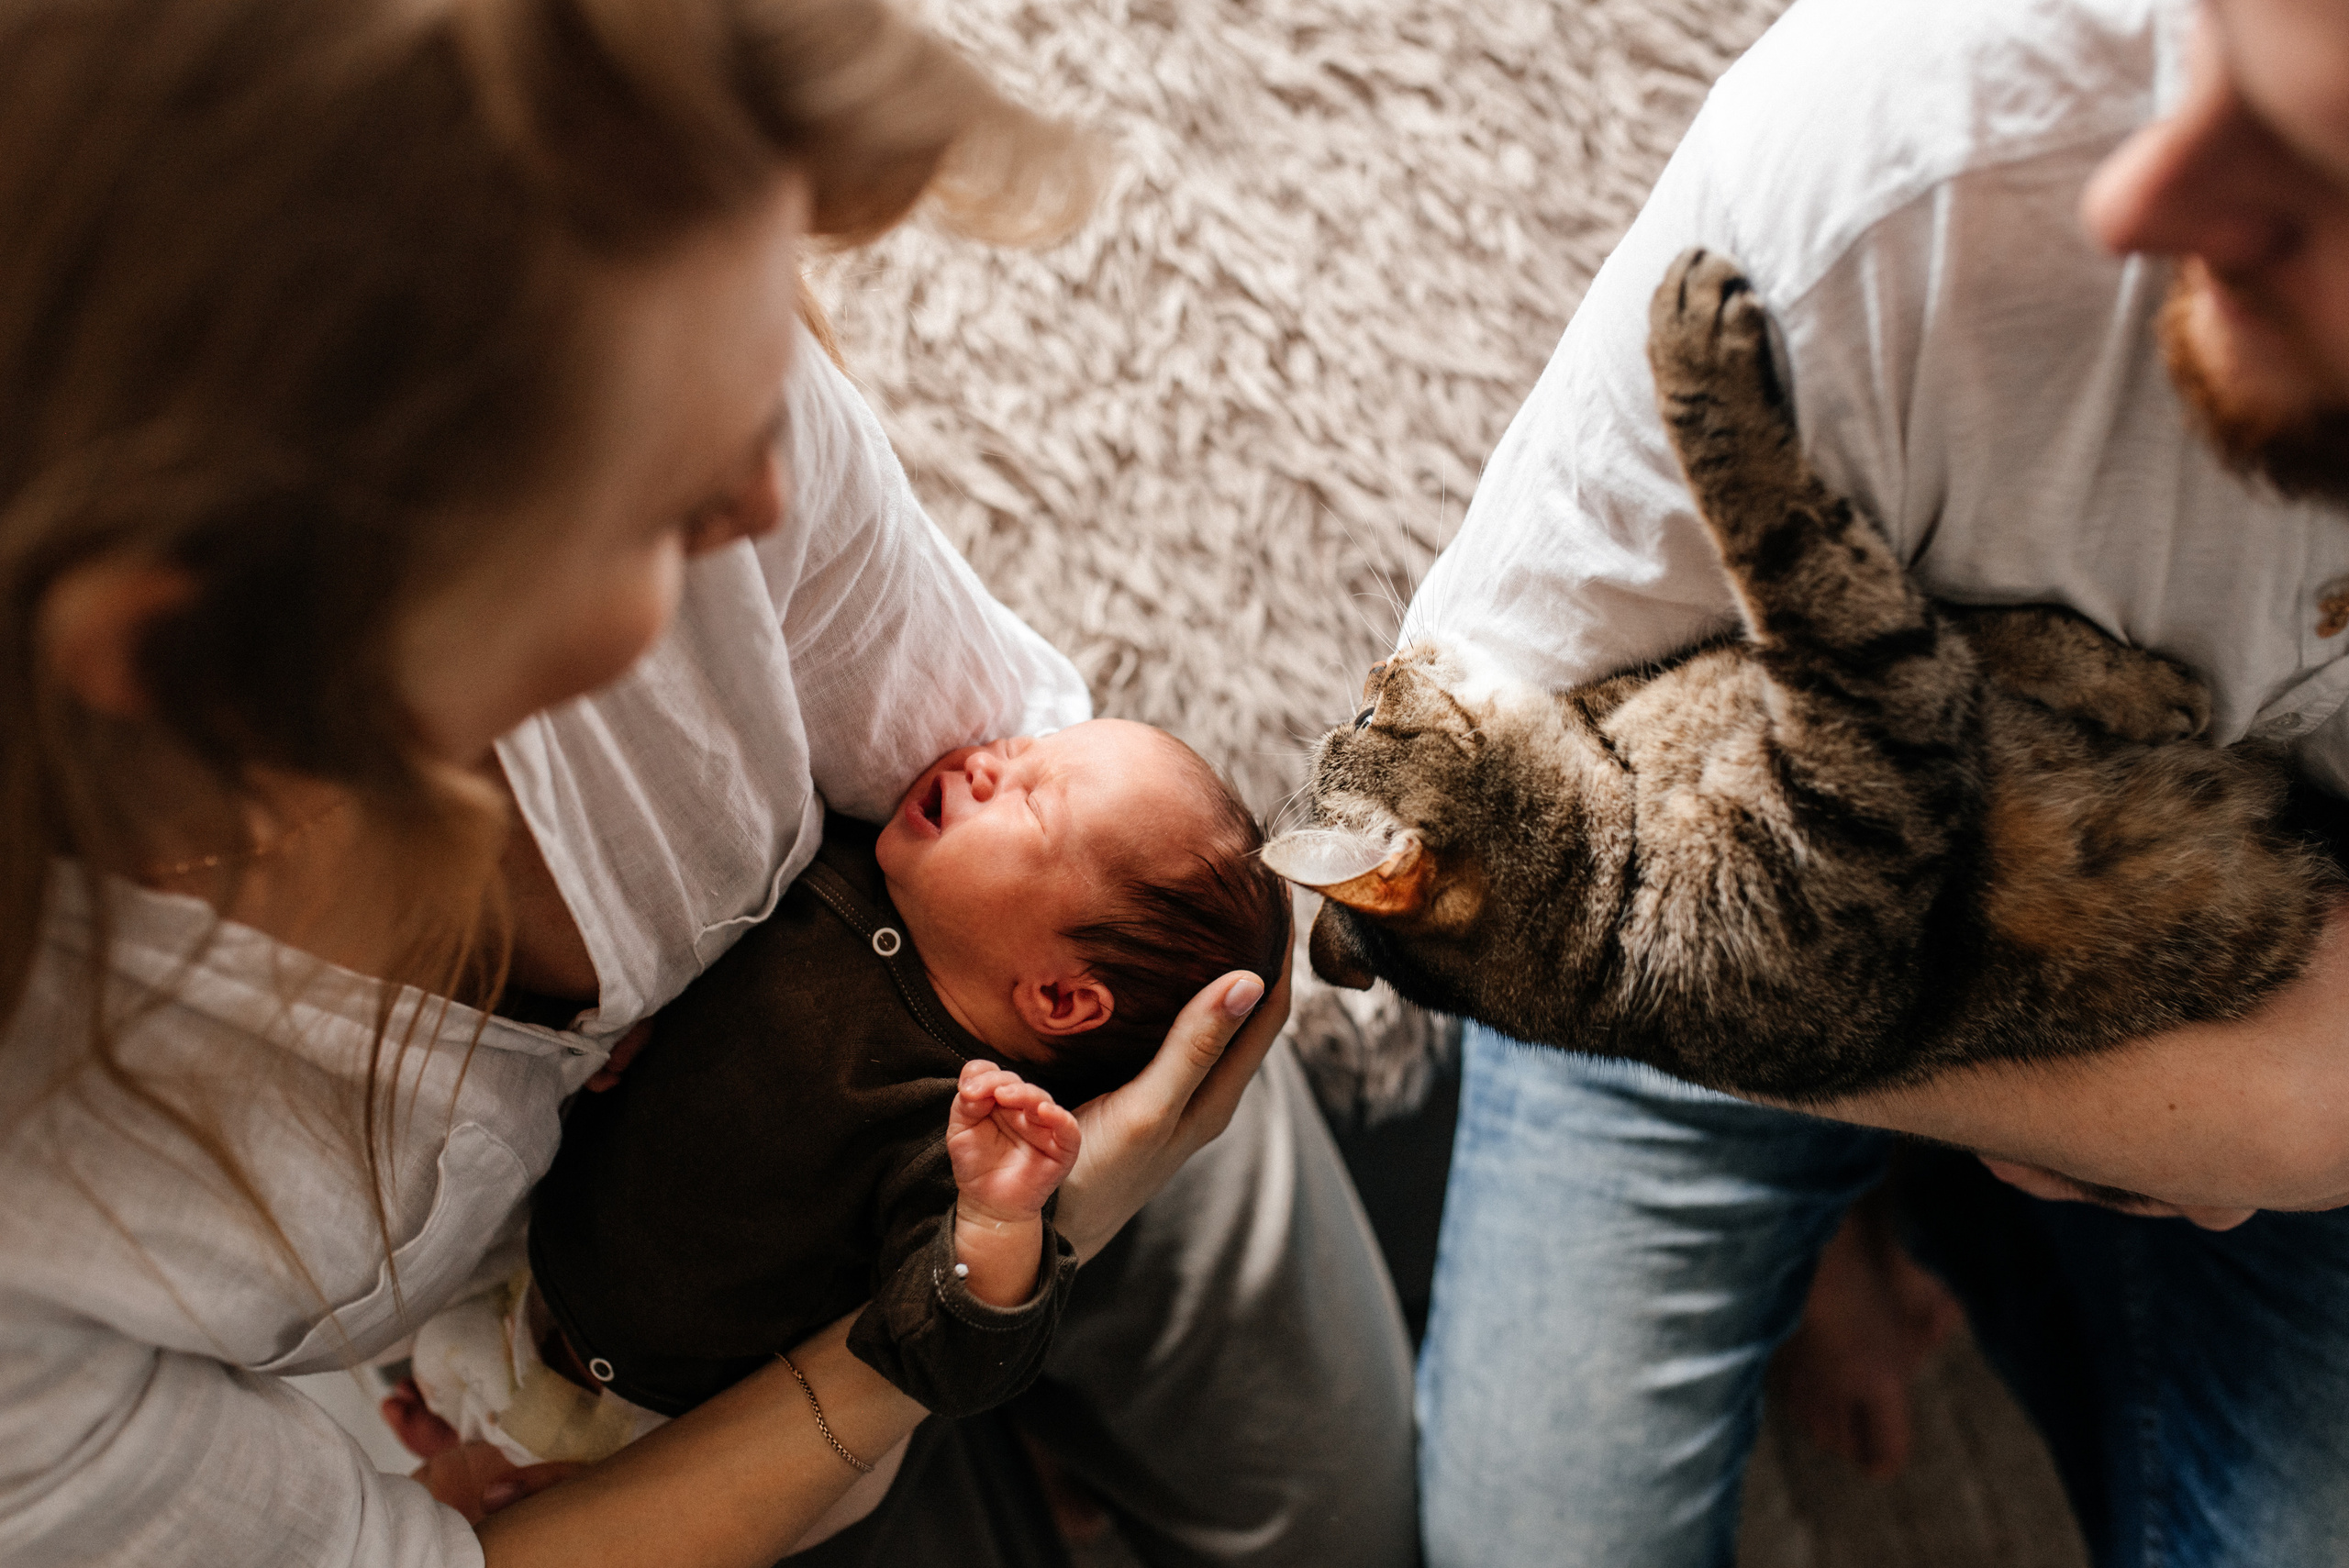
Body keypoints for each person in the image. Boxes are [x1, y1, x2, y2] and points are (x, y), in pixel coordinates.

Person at [0, 4, 1417, 1566]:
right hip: (630, 1392)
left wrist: (1122, 1145)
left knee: (1358, 1532)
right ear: (207, 654)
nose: (765, 495)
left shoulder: (673, 333)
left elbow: (1065, 826)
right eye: (663, 497)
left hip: (1059, 1064)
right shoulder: (42, 1247)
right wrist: (943, 1324)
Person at [1405, 0, 2349, 1562]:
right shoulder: (1899, 154)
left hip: (2149, 940)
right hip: (1689, 911)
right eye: (2220, 54)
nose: (2141, 198)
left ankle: (1887, 1201)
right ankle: (1853, 1197)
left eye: (2308, 165)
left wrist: (2271, 1118)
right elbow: (1472, 777)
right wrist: (2197, 1120)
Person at [407, 721, 1286, 1450]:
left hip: (642, 1413)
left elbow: (946, 1363)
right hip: (520, 1229)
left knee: (494, 1482)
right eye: (1024, 744)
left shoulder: (971, 1128)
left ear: (1059, 997)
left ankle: (461, 1446)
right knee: (424, 1339)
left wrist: (998, 1223)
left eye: (1029, 799)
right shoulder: (830, 858)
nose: (987, 760)